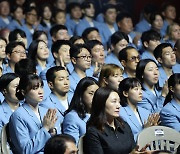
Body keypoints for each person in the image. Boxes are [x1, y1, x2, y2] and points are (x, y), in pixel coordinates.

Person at [84, 87, 149, 154]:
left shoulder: (124, 125)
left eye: (119, 102)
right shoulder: (93, 131)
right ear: (101, 103)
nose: (118, 106)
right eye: (114, 101)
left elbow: (133, 149)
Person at [9, 74, 61, 154]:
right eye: (35, 88)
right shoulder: (18, 115)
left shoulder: (45, 111)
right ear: (23, 92)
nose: (41, 91)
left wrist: (53, 132)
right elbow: (26, 150)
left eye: (41, 87)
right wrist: (45, 128)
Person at [63, 77, 99, 144]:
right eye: (91, 93)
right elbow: (73, 146)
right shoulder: (72, 117)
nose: (95, 97)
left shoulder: (101, 114)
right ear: (81, 95)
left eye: (97, 93)